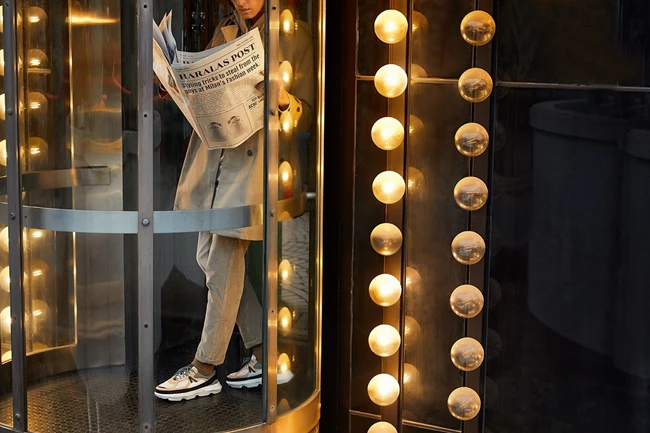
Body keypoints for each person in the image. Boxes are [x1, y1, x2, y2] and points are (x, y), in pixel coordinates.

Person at [154, 0, 313, 401]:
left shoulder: (295, 34)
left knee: (222, 262)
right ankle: (262, 351)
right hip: (216, 158)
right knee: (209, 260)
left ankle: (205, 366)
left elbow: (308, 112)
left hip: (257, 164)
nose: (242, 0)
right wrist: (179, 88)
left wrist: (283, 99)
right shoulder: (226, 26)